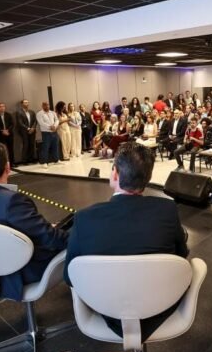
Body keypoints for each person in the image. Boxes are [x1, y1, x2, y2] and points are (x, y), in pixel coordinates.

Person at [64, 142, 188, 340]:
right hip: (160, 305)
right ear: (148, 177)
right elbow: (182, 255)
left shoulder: (84, 218)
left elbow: (69, 276)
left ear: (115, 173)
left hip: (105, 308)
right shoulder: (167, 210)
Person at [0, 141, 69, 301]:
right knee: (77, 236)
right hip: (23, 270)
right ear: (7, 167)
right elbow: (48, 237)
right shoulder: (12, 201)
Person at [36, 101, 60, 167]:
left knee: (55, 146)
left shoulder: (53, 112)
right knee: (45, 147)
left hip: (54, 131)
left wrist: (54, 126)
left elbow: (57, 120)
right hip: (46, 133)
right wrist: (50, 127)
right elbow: (41, 123)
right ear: (42, 106)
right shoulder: (39, 113)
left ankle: (56, 160)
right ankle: (45, 162)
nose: (47, 106)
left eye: (48, 105)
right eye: (45, 105)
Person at [16, 99, 37, 165]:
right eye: (25, 102)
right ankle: (24, 160)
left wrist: (33, 128)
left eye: (27, 102)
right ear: (22, 104)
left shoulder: (32, 112)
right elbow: (20, 123)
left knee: (32, 144)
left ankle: (31, 158)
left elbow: (35, 121)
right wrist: (28, 128)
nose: (27, 104)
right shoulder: (19, 112)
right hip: (24, 131)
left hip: (32, 131)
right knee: (26, 145)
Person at [0, 102, 14, 166]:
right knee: (1, 150)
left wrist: (8, 130)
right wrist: (2, 131)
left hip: (9, 134)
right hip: (0, 135)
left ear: (5, 107)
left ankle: (12, 163)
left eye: (3, 106)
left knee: (10, 149)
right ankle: (3, 164)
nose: (2, 108)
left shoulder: (9, 115)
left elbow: (12, 124)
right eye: (0, 106)